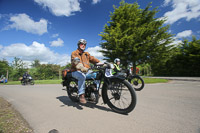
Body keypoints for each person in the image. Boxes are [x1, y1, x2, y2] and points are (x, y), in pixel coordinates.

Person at [71, 39, 100, 104]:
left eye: (84, 44)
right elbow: (75, 62)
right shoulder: (74, 53)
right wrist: (81, 67)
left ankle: (95, 90)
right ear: (78, 45)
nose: (83, 45)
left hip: (86, 71)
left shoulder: (86, 54)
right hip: (76, 71)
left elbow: (93, 59)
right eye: (81, 44)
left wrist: (102, 63)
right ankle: (81, 95)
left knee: (98, 75)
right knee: (82, 76)